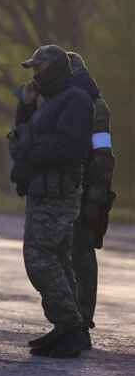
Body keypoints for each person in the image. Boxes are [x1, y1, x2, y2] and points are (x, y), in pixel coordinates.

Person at [9, 44, 93, 358]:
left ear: (56, 67)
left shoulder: (74, 99)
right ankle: (69, 329)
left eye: (39, 68)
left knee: (40, 258)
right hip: (45, 190)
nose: (34, 74)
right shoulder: (51, 100)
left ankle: (70, 327)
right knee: (58, 258)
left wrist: (31, 152)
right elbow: (24, 134)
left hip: (57, 192)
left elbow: (70, 146)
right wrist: (26, 107)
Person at [62, 52, 115, 349]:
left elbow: (103, 151)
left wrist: (96, 194)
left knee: (81, 256)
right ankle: (66, 322)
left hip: (84, 193)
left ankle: (82, 322)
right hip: (63, 191)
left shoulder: (96, 108)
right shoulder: (61, 104)